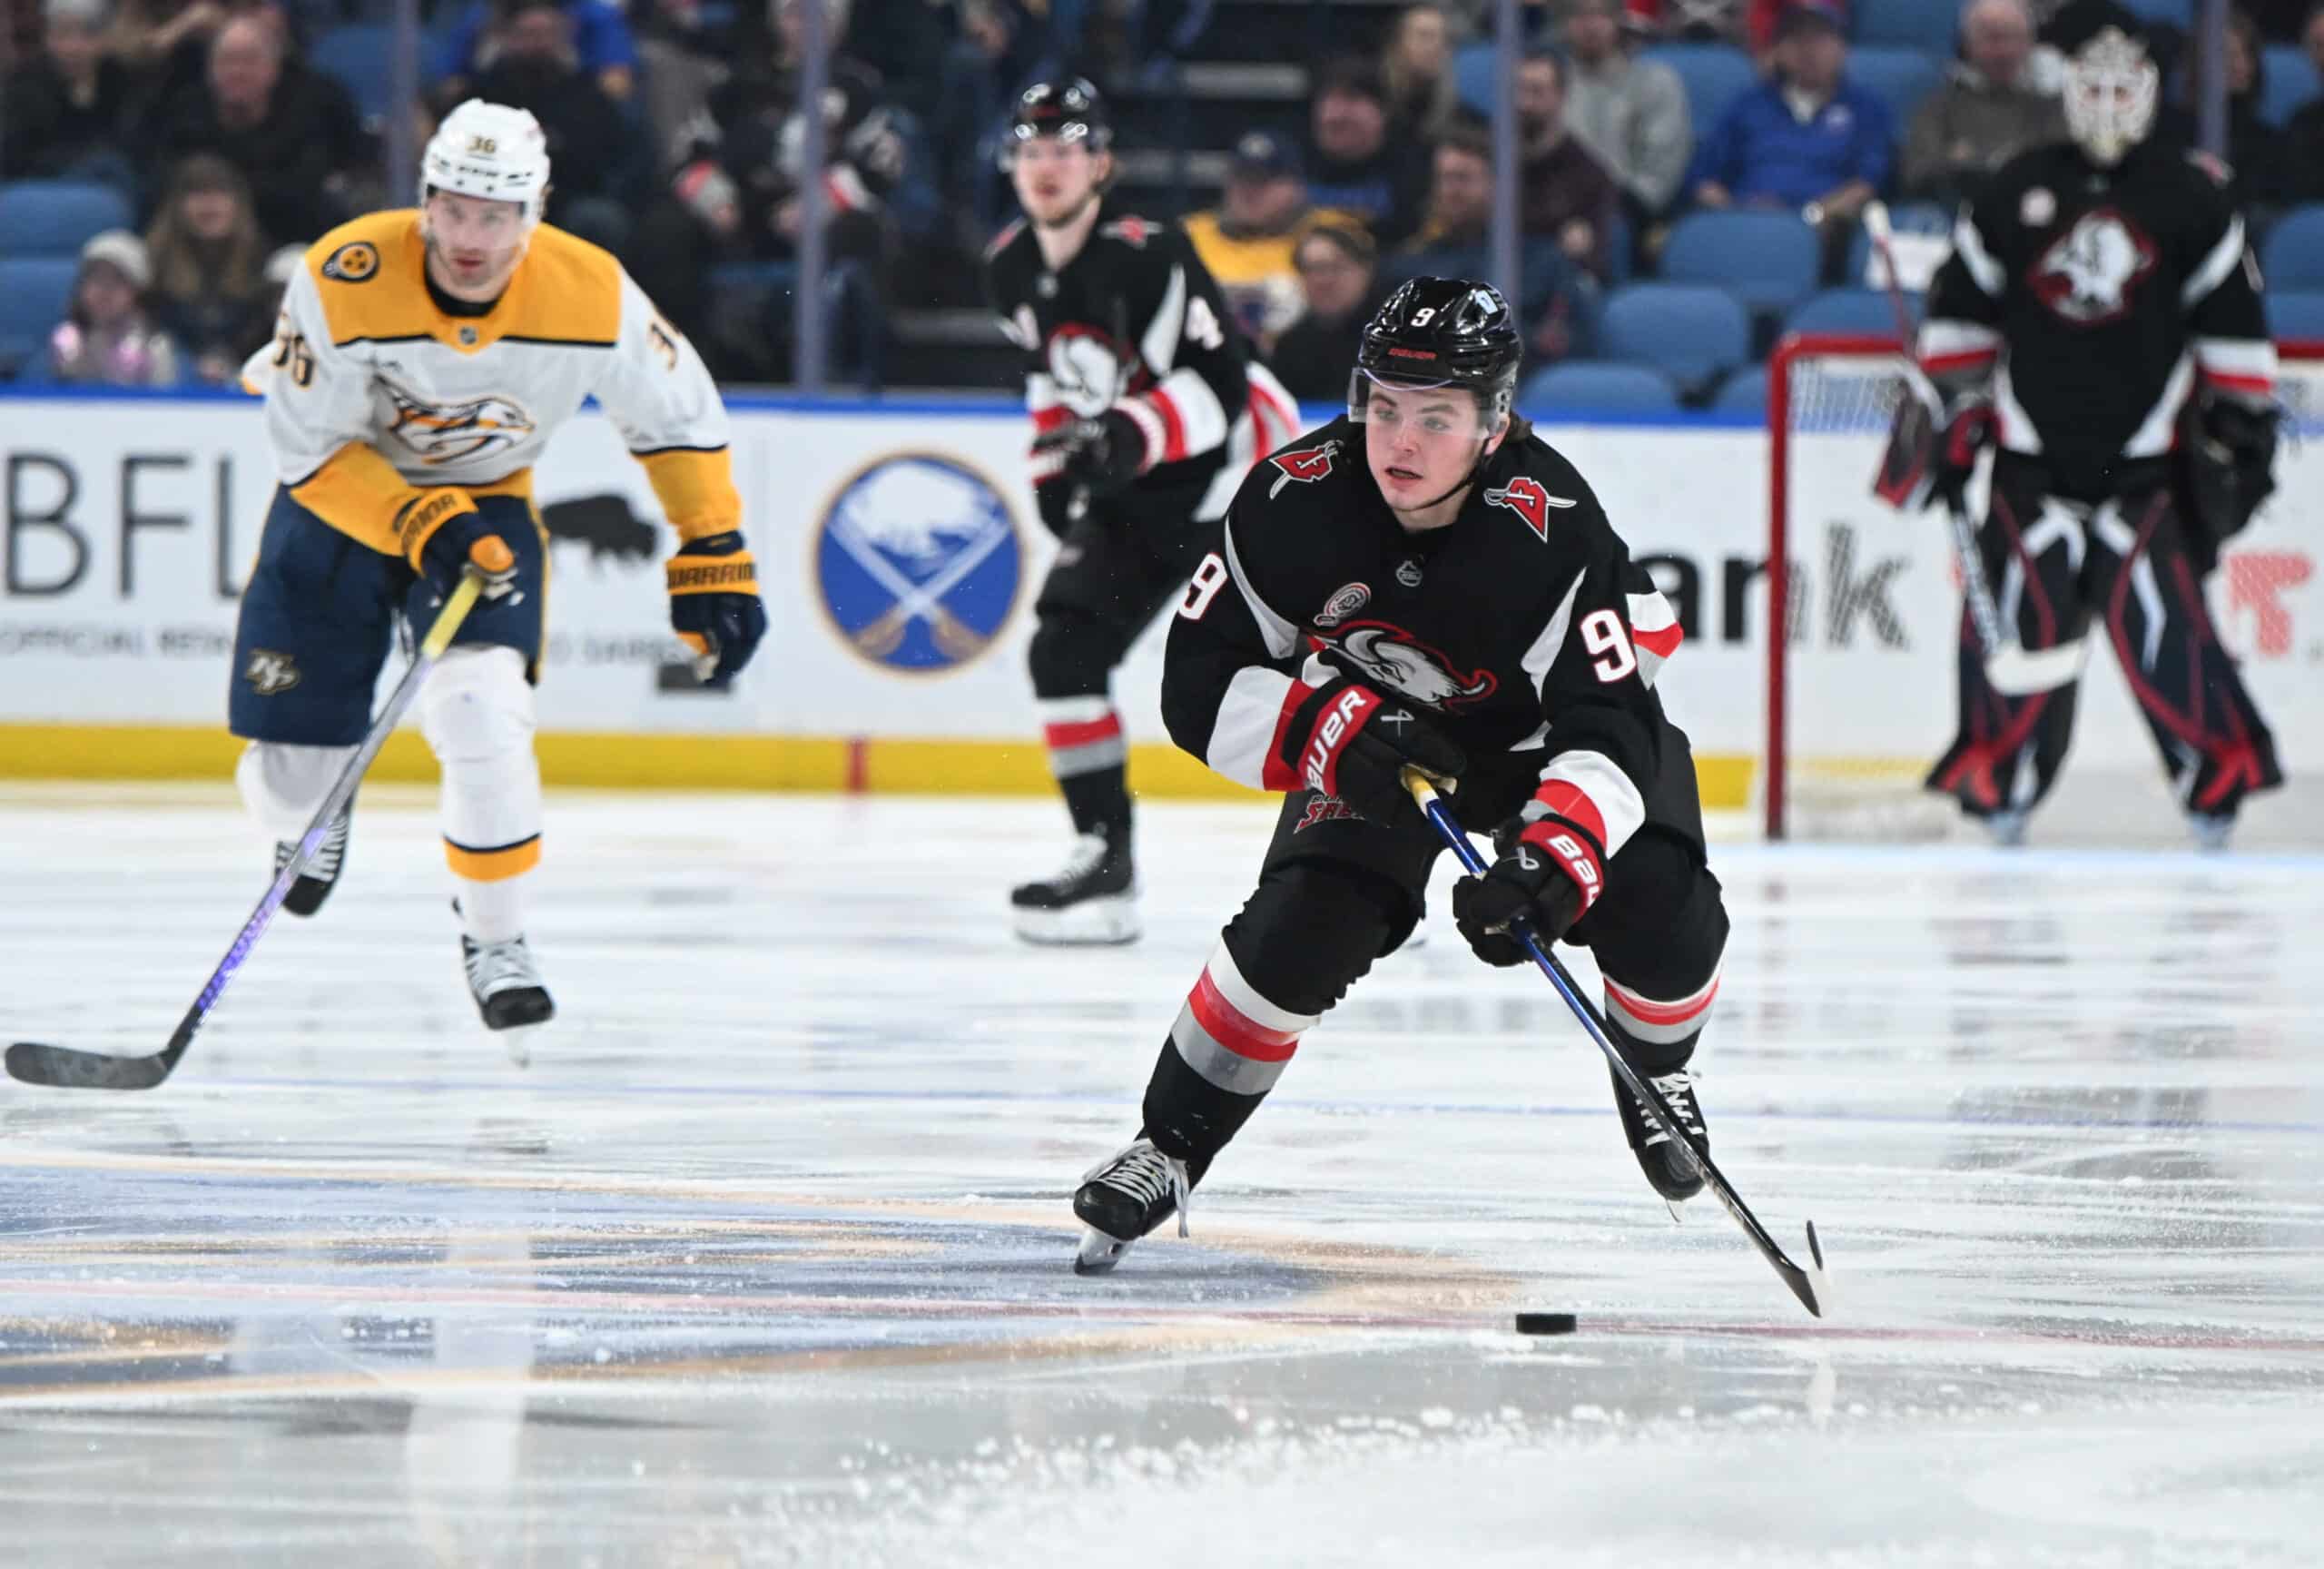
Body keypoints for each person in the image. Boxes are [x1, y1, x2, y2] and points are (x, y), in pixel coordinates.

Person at [1068, 277, 1727, 1273]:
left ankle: (1658, 1071)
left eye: (1435, 418)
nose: (1399, 443)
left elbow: (1611, 721)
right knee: (1299, 929)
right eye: (1383, 407)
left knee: (1665, 906)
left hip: (1540, 747)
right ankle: (1169, 1143)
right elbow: (1197, 682)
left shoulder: (1554, 526)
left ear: (1493, 422)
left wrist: (1554, 860)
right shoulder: (1290, 500)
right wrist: (1323, 732)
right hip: (1380, 744)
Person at [231, 100, 766, 1031]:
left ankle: (497, 936)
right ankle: (311, 818)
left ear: (535, 210)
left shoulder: (590, 291)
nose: (471, 238)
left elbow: (676, 415)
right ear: (426, 200)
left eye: (497, 214)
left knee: (483, 711)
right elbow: (308, 452)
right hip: (339, 508)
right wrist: (416, 514)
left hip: (487, 508)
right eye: (453, 209)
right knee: (290, 784)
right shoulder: (345, 272)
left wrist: (713, 546)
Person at [1876, 2, 2281, 849]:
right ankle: (2003, 787)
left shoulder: (2189, 195)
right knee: (2016, 632)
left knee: (2168, 632)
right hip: (2031, 465)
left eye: (2122, 87)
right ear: (2067, 91)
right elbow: (1964, 313)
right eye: (2090, 86)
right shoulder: (2017, 186)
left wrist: (2244, 430)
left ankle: (2214, 788)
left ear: (2151, 93)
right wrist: (1950, 418)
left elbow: (2231, 321)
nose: (2105, 104)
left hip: (2147, 467)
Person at [982, 79, 1300, 945]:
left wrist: (1123, 435)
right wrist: (1052, 463)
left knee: (1318, 663)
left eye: (1066, 149)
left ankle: (1371, 854)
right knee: (1064, 648)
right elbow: (1053, 376)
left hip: (1245, 478)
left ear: (1101, 165)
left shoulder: (1151, 253)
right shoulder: (1008, 266)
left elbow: (1222, 388)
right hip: (1144, 484)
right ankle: (1103, 859)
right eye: (1032, 151)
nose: (1047, 167)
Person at [1687, 0, 1891, 240]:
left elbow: (1868, 183)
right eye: (1796, 39)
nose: (1808, 50)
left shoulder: (1866, 109)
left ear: (1843, 48)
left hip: (1828, 234)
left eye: (1820, 38)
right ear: (1778, 50)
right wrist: (1737, 215)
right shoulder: (1746, 105)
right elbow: (1704, 179)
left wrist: (1811, 217)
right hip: (1745, 228)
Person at [1183, 130, 1356, 350]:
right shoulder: (1188, 234)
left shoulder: (1334, 233)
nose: (1250, 191)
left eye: (1265, 180)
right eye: (1242, 178)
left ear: (1297, 186)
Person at [1902, 0, 2066, 207]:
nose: (2005, 51)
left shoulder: (2049, 105)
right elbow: (1916, 173)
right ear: (1967, 44)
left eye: (2015, 37)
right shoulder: (1940, 106)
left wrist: (1964, 158)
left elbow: (2065, 169)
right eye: (1993, 38)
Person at [145, 152, 277, 386]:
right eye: (198, 194)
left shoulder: (264, 264)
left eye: (220, 193)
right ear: (177, 206)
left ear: (238, 204)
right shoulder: (152, 266)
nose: (209, 206)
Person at [1559, 0, 1693, 223]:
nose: (1591, 26)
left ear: (1619, 22)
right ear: (1565, 25)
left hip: (1628, 215)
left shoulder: (1655, 83)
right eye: (1579, 15)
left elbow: (1659, 176)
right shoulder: (1548, 85)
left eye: (1601, 15)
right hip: (1553, 213)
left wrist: (1617, 207)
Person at [41, 229, 180, 386]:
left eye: (118, 280)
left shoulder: (155, 346)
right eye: (96, 278)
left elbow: (163, 398)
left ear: (138, 292)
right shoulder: (66, 340)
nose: (104, 291)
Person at [1265, 222, 1380, 400]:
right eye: (1311, 270)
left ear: (1364, 270)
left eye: (1333, 267)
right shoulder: (1290, 346)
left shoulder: (1398, 339)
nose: (1322, 281)